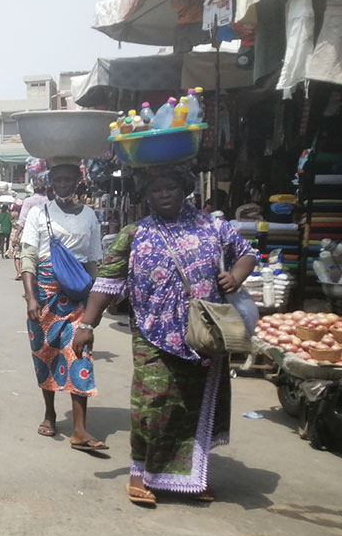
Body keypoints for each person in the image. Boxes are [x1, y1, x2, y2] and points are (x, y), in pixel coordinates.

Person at [73, 163, 256, 506]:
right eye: (156, 190)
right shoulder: (135, 233)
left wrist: (235, 275)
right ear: (147, 196)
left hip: (202, 334)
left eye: (170, 187)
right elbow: (106, 282)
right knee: (151, 405)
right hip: (151, 334)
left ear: (184, 188)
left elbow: (247, 254)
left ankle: (191, 477)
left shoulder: (213, 227)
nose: (164, 194)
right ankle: (140, 475)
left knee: (194, 406)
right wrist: (86, 325)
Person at [20, 161, 105, 451]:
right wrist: (31, 297)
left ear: (78, 181)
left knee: (79, 354)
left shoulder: (90, 216)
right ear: (51, 183)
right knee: (46, 355)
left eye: (70, 179)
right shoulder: (38, 212)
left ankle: (80, 430)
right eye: (59, 180)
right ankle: (50, 413)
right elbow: (28, 257)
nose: (64, 184)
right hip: (43, 296)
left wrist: (95, 309)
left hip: (78, 296)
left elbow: (94, 261)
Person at [12, 177, 51, 279]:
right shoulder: (49, 200)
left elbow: (22, 219)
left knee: (28, 260)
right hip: (47, 233)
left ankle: (29, 287)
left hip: (30, 233)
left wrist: (16, 236)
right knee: (44, 259)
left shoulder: (29, 201)